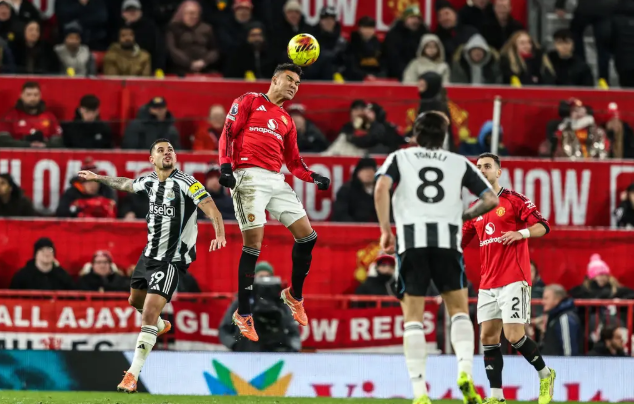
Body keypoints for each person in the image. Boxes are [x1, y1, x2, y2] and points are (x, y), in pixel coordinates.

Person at [76, 138, 227, 393]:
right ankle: (159, 326)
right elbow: (125, 183)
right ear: (151, 159)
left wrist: (219, 233)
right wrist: (98, 178)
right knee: (134, 301)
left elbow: (212, 209)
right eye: (161, 150)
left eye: (171, 150)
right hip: (148, 256)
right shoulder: (148, 181)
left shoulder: (187, 183)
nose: (167, 153)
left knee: (147, 312)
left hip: (171, 260)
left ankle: (131, 375)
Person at [374, 111, 499, 404]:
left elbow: (381, 187)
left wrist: (385, 230)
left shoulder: (399, 158)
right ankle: (465, 372)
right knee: (459, 311)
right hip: (448, 244)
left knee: (413, 319)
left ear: (416, 135)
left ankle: (420, 392)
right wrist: (462, 216)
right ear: (444, 137)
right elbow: (491, 199)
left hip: (411, 243)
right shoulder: (459, 162)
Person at [218, 63, 331, 342]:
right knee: (254, 244)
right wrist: (225, 167)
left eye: (297, 83)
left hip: (275, 179)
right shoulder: (249, 100)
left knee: (308, 237)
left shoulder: (287, 120)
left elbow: (294, 162)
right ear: (275, 80)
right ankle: (244, 313)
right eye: (289, 80)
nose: (294, 86)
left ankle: (294, 295)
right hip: (247, 176)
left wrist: (313, 176)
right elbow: (228, 133)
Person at [462, 153, 555, 404]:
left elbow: (543, 225)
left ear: (498, 172)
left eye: (487, 166)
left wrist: (521, 233)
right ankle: (496, 396)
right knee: (488, 338)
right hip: (487, 283)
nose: (482, 170)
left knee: (514, 336)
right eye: (478, 167)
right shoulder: (475, 209)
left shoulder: (514, 200)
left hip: (514, 278)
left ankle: (545, 374)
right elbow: (459, 241)